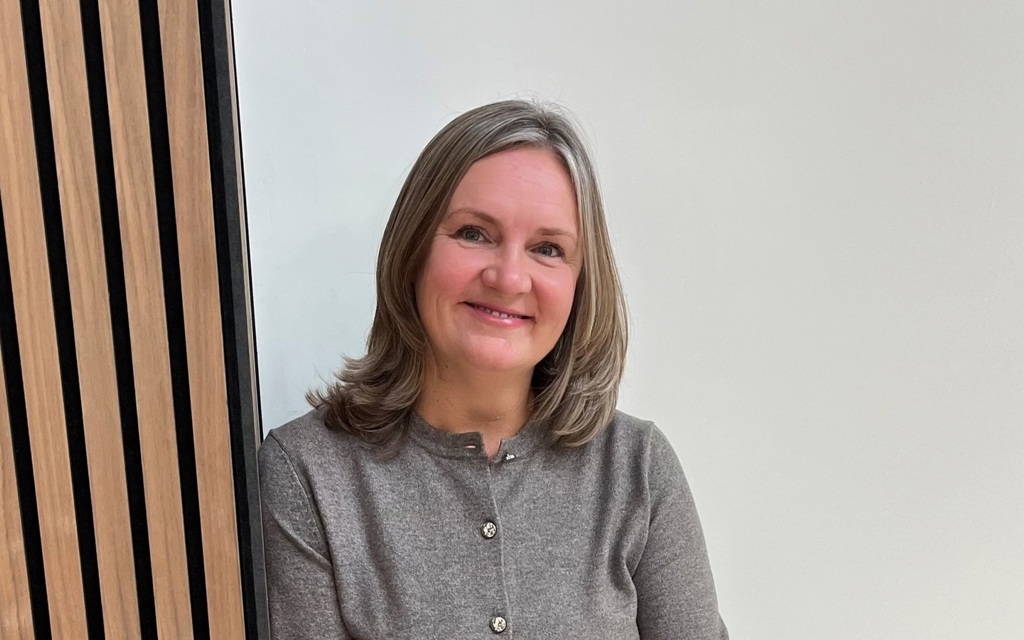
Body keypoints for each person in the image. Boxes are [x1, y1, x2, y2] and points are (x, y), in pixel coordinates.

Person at [259, 100, 728, 639]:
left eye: (547, 248)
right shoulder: (308, 475)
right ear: (412, 250)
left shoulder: (637, 469)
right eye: (473, 233)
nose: (509, 277)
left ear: (579, 285)